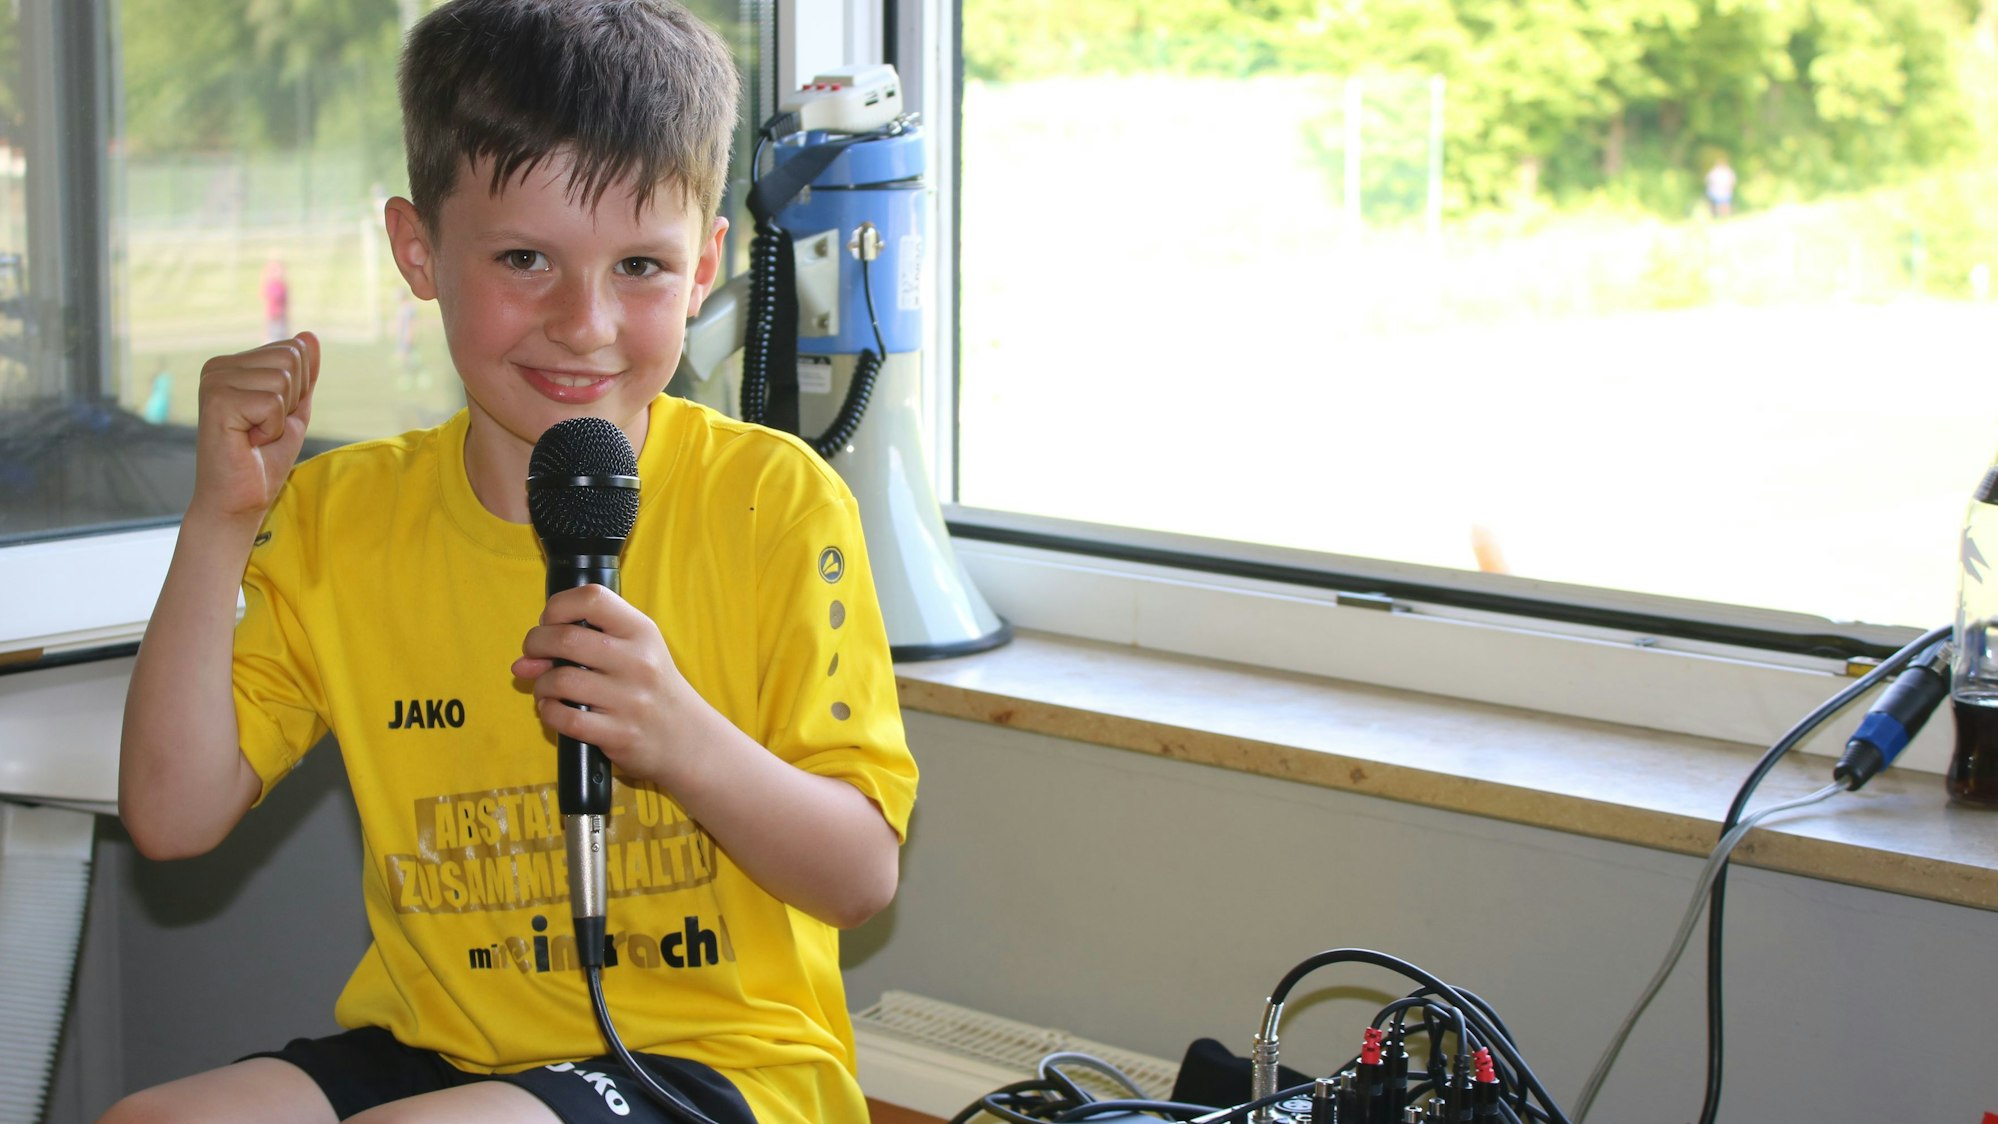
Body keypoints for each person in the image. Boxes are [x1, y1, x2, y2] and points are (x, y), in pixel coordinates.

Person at [106, 2, 917, 1122]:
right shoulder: (346, 515)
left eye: (640, 264)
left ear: (704, 269)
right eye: (526, 258)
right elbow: (171, 812)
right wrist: (217, 521)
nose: (583, 323)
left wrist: (677, 734)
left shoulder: (773, 502)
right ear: (418, 250)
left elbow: (860, 874)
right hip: (438, 1047)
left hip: (717, 1061)